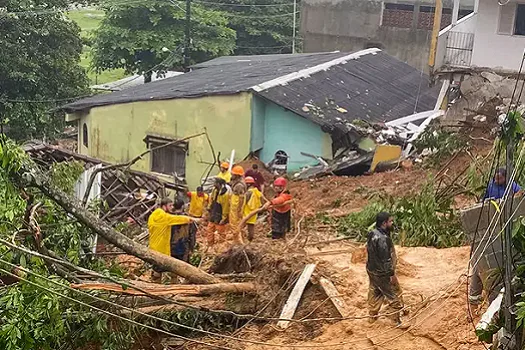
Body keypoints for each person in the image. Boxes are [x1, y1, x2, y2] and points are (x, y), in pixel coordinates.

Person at [366, 212, 407, 328]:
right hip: (383, 273)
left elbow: (369, 252)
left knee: (375, 291)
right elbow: (386, 259)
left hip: (372, 270)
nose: (392, 223)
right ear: (384, 223)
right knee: (393, 293)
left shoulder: (372, 233)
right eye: (390, 221)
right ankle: (395, 320)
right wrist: (391, 274)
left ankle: (372, 316)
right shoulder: (383, 239)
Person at [147, 198, 199, 282]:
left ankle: (157, 290)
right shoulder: (164, 217)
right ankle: (164, 290)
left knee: (158, 271)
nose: (171, 207)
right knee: (173, 271)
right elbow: (191, 234)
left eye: (172, 205)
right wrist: (193, 219)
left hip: (158, 248)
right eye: (170, 205)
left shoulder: (154, 215)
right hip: (164, 249)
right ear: (164, 206)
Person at [170, 199, 198, 266]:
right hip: (184, 246)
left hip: (171, 247)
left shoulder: (169, 217)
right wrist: (192, 248)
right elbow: (192, 234)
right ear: (183, 206)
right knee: (184, 266)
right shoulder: (188, 219)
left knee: (173, 267)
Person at [206, 178, 230, 247]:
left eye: (215, 183)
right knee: (209, 230)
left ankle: (221, 246)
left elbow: (225, 207)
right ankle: (210, 245)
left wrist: (224, 218)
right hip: (213, 211)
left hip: (220, 213)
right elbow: (212, 199)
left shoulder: (224, 194)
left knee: (221, 232)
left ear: (219, 184)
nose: (214, 184)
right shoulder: (214, 190)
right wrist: (209, 207)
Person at [229, 165, 247, 245]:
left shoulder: (239, 185)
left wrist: (239, 209)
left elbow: (241, 197)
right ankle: (237, 238)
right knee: (234, 222)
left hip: (237, 204)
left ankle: (238, 241)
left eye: (233, 174)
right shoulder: (236, 181)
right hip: (234, 203)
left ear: (237, 175)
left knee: (235, 223)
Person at [243, 176, 264, 241]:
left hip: (247, 211)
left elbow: (244, 202)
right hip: (254, 211)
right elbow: (262, 199)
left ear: (248, 184)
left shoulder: (248, 193)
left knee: (242, 225)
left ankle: (244, 239)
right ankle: (250, 239)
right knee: (251, 226)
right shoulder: (256, 191)